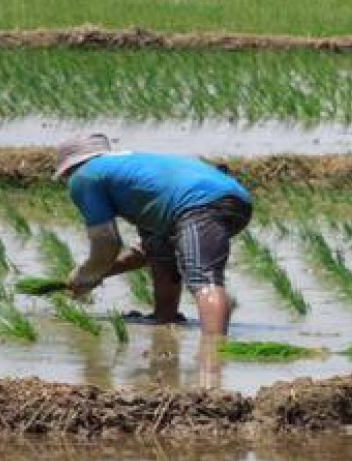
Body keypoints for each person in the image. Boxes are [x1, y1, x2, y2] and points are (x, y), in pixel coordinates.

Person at [53, 134, 252, 336]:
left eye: (65, 177)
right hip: (236, 200)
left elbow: (106, 242)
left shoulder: (84, 176)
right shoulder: (134, 173)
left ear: (70, 168)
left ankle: (213, 355)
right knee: (159, 248)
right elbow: (144, 254)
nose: (68, 182)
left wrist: (88, 273)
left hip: (199, 204)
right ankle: (165, 316)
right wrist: (95, 275)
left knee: (202, 277)